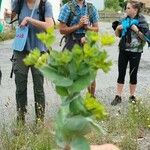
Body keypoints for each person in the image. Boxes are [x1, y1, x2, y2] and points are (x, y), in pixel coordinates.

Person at [4, 0, 54, 124]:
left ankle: (39, 121)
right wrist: (8, 14)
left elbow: (50, 26)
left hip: (39, 52)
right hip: (21, 51)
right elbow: (12, 17)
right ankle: (20, 121)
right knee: (20, 86)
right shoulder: (19, 3)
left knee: (38, 88)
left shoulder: (45, 5)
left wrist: (29, 19)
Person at [111, 0, 149, 106]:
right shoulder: (123, 19)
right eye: (126, 8)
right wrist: (118, 28)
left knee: (133, 74)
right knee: (121, 73)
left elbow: (145, 38)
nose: (126, 10)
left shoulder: (142, 21)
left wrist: (136, 30)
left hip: (136, 52)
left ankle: (132, 96)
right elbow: (117, 35)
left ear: (135, 10)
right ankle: (118, 96)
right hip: (123, 50)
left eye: (128, 8)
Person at [58, 0, 99, 97]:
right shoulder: (66, 7)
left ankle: (91, 99)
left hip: (87, 43)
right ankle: (73, 102)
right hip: (71, 43)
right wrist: (78, 26)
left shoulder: (91, 7)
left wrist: (87, 27)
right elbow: (62, 30)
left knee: (91, 74)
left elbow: (96, 29)